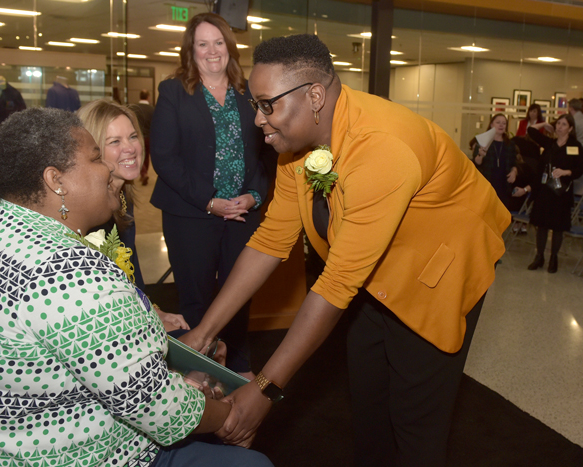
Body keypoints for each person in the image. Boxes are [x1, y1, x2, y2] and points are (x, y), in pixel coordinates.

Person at [180, 34, 511, 466]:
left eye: (267, 105)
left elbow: (336, 282)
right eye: (254, 105)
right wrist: (201, 336)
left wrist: (265, 389)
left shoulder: (383, 146)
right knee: (369, 405)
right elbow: (269, 242)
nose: (258, 120)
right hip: (368, 275)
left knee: (414, 421)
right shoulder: (295, 145)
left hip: (435, 274)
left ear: (314, 95)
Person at [0, 107, 273, 467]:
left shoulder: (0, 229)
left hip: (5, 437)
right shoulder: (67, 272)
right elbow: (155, 407)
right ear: (56, 181)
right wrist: (228, 417)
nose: (108, 169)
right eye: (97, 157)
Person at [150, 12, 275, 377]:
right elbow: (165, 158)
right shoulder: (174, 91)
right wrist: (210, 201)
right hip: (191, 214)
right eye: (202, 44)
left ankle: (237, 370)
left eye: (218, 42)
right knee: (197, 297)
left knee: (238, 294)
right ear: (191, 51)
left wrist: (254, 195)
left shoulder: (249, 92)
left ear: (229, 47)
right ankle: (198, 375)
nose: (211, 50)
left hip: (242, 213)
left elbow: (268, 151)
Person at [77, 99, 148, 292]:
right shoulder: (87, 213)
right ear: (93, 151)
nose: (130, 148)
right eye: (115, 141)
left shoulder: (122, 195)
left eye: (133, 137)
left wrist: (152, 308)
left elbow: (131, 270)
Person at [522, 115, 583, 273]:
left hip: (561, 192)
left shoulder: (575, 146)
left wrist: (566, 172)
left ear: (570, 128)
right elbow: (531, 130)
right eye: (558, 123)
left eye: (563, 124)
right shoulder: (550, 143)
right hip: (545, 189)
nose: (559, 127)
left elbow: (580, 169)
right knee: (542, 225)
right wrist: (545, 124)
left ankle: (554, 258)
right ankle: (539, 257)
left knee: (558, 227)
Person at [472, 113, 519, 204]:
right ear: (491, 124)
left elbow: (514, 163)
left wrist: (514, 171)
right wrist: (480, 155)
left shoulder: (510, 144)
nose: (501, 125)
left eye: (504, 123)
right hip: (487, 183)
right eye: (498, 122)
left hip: (504, 184)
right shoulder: (483, 141)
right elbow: (476, 163)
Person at [132, 90, 155, 186]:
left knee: (139, 155)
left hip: (138, 136)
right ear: (148, 97)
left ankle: (143, 172)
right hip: (149, 136)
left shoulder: (134, 108)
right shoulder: (152, 109)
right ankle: (144, 173)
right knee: (146, 156)